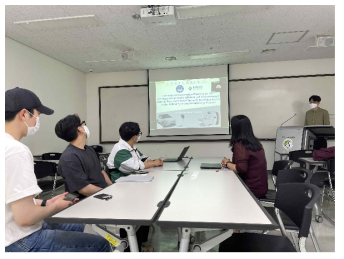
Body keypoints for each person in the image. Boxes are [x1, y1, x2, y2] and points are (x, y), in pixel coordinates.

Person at [5, 87, 110, 252]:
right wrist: (55, 207)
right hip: (18, 239)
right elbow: (24, 218)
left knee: (79, 228)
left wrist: (48, 202)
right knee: (101, 244)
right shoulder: (16, 151)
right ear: (24, 114)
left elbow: (12, 201)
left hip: (10, 229)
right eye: (37, 115)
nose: (37, 120)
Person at [106, 121, 163, 252]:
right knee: (142, 206)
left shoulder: (130, 147)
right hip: (123, 185)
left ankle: (140, 243)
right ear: (134, 136)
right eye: (139, 134)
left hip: (131, 182)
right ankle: (131, 247)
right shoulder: (120, 149)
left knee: (147, 203)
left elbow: (142, 159)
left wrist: (152, 161)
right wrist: (153, 163)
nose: (139, 136)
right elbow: (136, 166)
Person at [55, 114, 112, 200]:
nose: (85, 126)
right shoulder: (70, 158)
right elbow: (84, 189)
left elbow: (101, 171)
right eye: (83, 124)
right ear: (80, 129)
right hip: (89, 200)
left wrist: (111, 187)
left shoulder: (89, 149)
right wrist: (109, 193)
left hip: (104, 193)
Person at [221, 115, 268, 198]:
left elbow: (241, 169)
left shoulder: (240, 144)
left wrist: (227, 163)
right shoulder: (255, 142)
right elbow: (246, 164)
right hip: (260, 186)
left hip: (250, 189)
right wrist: (230, 163)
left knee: (222, 190)